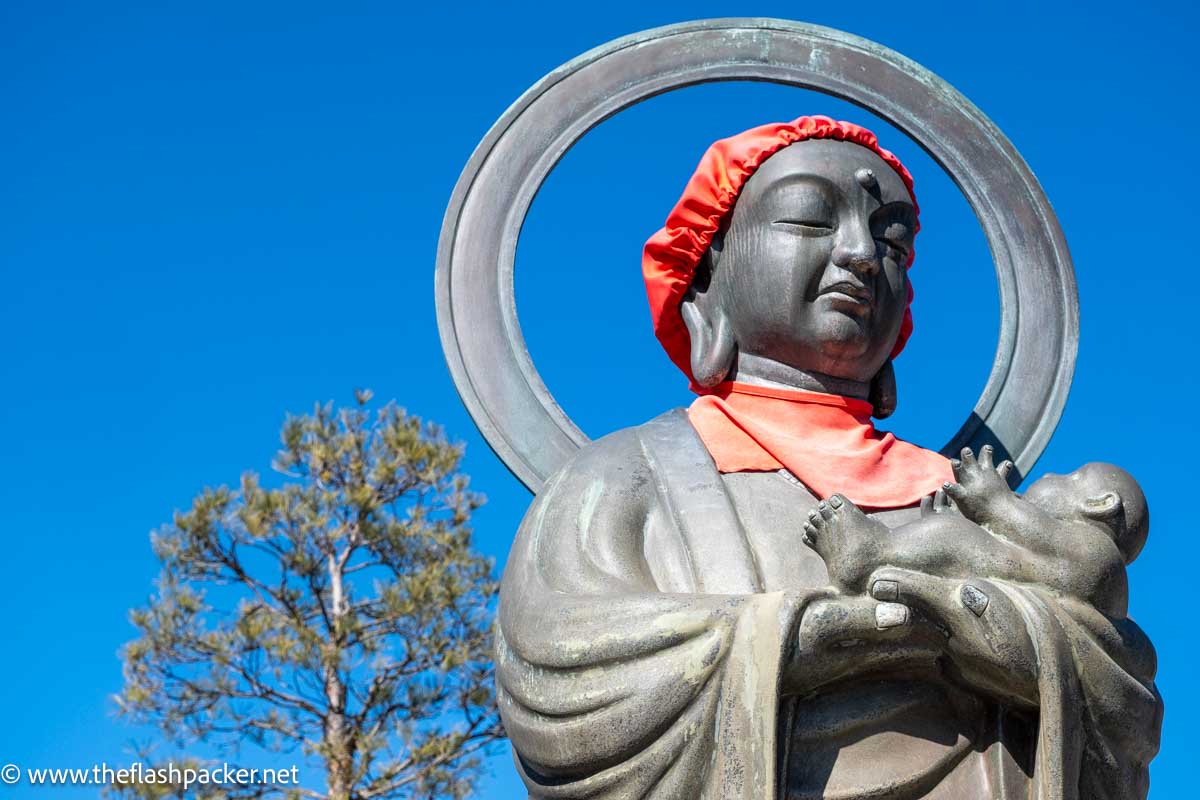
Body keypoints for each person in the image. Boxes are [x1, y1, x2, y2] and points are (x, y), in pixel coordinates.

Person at [495, 116, 1162, 800]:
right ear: (708, 276)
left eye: (892, 239)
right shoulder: (626, 475)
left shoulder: (969, 494)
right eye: (812, 218)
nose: (862, 255)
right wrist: (794, 641)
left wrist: (992, 634)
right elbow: (554, 679)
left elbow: (1124, 677)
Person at [804, 446, 1148, 619]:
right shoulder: (1076, 555)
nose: (1052, 474)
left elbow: (1034, 531)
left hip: (986, 577)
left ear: (1102, 504)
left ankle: (867, 552)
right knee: (948, 534)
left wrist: (996, 500)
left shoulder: (1100, 555)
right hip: (990, 568)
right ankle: (876, 550)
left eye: (1070, 477)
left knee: (949, 537)